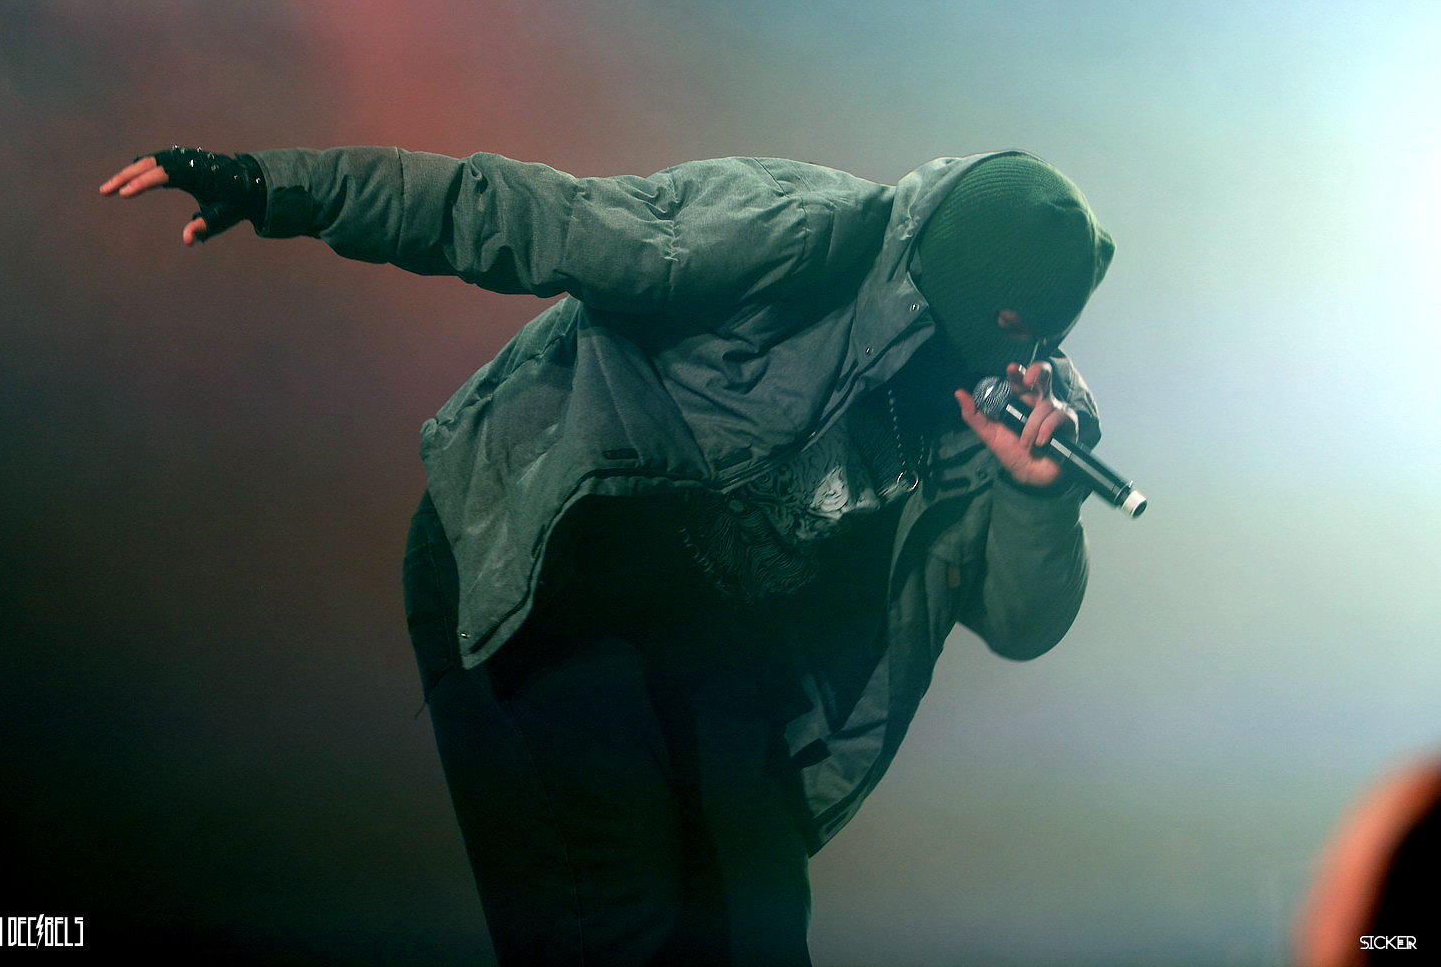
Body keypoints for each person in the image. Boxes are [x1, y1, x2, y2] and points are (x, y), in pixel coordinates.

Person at [101, 143, 1115, 966]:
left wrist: (1042, 495)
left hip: (715, 640)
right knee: (623, 920)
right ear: (963, 288)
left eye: (1031, 343)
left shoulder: (1009, 414)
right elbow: (521, 214)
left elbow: (1021, 623)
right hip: (556, 555)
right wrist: (273, 185)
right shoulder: (792, 228)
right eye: (1000, 328)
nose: (1011, 358)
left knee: (757, 934)